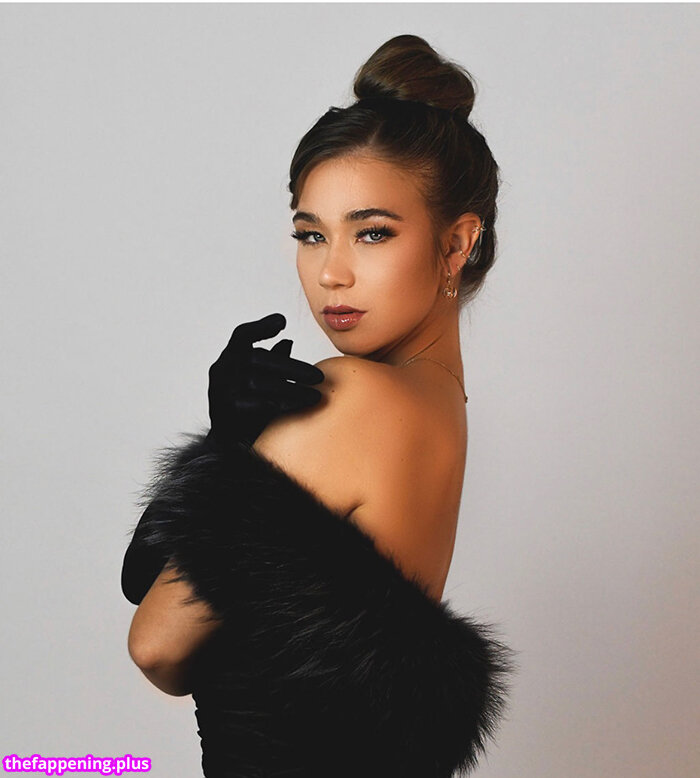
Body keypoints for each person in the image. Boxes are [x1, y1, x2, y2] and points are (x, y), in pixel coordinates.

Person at [122, 34, 514, 778]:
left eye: (373, 233)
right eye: (311, 235)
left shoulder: (352, 398)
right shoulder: (440, 407)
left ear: (456, 243)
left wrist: (228, 454)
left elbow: (157, 646)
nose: (331, 273)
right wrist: (232, 454)